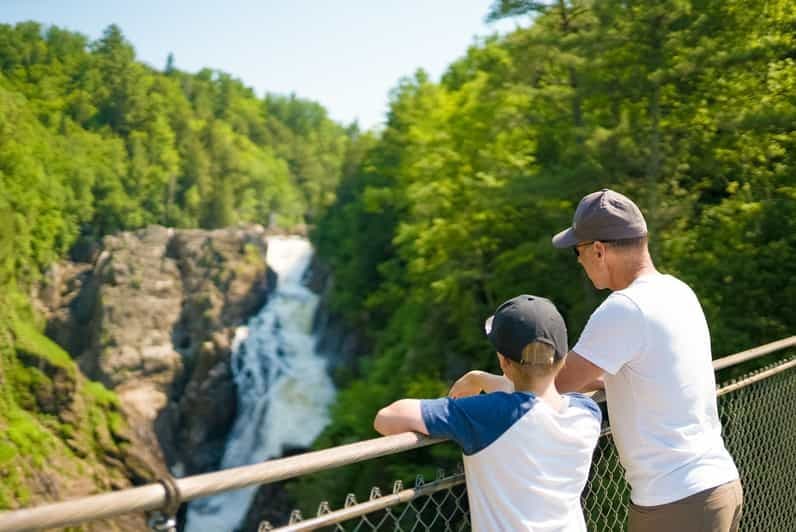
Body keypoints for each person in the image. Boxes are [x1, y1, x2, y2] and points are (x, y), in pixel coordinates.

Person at [450, 189, 743, 532]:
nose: (578, 261)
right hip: (717, 483)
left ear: (599, 250)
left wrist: (481, 380)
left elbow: (545, 388)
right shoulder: (677, 291)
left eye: (579, 251)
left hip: (676, 501)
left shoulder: (625, 309)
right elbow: (645, 372)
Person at [374, 295, 602, 532]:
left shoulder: (491, 415)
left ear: (504, 362)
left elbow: (387, 418)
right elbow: (536, 399)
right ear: (564, 358)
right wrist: (480, 378)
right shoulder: (586, 413)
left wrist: (478, 380)